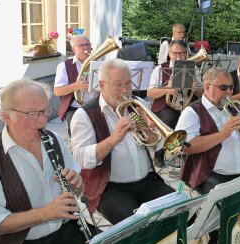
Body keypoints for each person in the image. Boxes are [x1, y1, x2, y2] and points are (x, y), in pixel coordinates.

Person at [0, 79, 88, 244]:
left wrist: (77, 185)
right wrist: (45, 213)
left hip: (64, 229)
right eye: (31, 114)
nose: (42, 120)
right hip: (16, 242)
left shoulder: (54, 140)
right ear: (6, 116)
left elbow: (77, 188)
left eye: (45, 111)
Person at [176, 67, 240, 244]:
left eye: (231, 87)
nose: (229, 92)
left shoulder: (233, 108)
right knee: (229, 212)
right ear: (207, 87)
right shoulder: (193, 111)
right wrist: (223, 133)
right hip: (209, 174)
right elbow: (184, 147)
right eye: (223, 88)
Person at [70, 59, 174, 225]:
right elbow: (81, 158)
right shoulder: (85, 114)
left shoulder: (137, 104)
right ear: (102, 85)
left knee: (181, 212)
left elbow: (155, 143)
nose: (125, 90)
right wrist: (114, 138)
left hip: (147, 180)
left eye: (128, 83)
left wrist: (149, 132)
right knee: (135, 226)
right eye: (118, 85)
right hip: (109, 188)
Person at [148, 40, 201, 167]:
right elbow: (150, 93)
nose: (178, 57)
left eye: (182, 53)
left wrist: (196, 88)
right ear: (169, 53)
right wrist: (167, 89)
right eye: (175, 53)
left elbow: (201, 94)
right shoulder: (161, 69)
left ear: (186, 54)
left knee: (195, 120)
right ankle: (160, 152)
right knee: (169, 119)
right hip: (166, 106)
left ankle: (188, 153)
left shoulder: (193, 68)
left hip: (188, 105)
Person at [54, 35, 95, 132]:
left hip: (96, 104)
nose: (85, 47)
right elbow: (57, 91)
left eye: (87, 45)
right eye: (81, 45)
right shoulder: (64, 66)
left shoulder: (98, 63)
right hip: (75, 107)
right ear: (73, 49)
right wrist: (76, 86)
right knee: (77, 134)